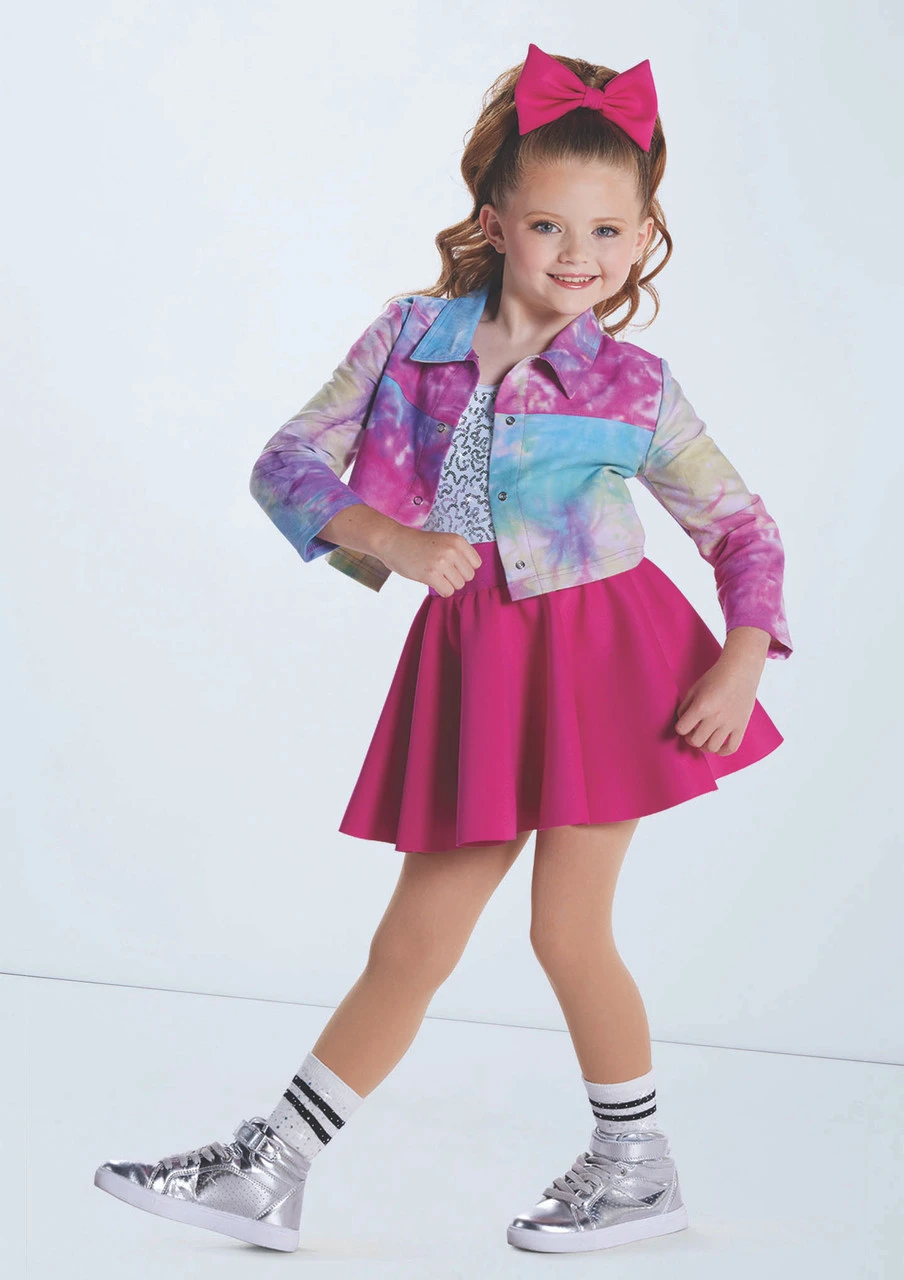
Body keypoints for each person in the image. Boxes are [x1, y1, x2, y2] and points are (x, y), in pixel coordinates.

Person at [93, 42, 793, 1256]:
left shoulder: (634, 385)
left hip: (604, 662)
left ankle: (636, 1166)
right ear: (494, 221)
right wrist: (393, 540)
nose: (576, 254)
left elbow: (739, 526)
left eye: (607, 232)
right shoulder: (409, 335)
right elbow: (284, 461)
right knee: (412, 939)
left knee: (566, 928)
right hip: (475, 663)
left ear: (641, 238)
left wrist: (740, 655)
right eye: (548, 224)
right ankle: (268, 1170)